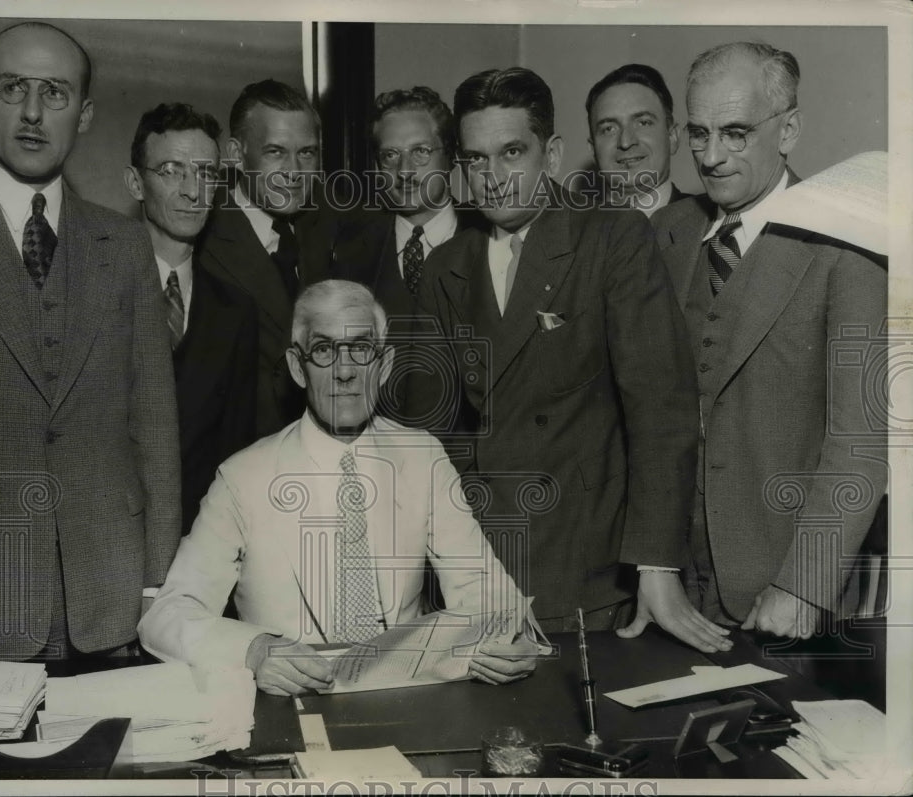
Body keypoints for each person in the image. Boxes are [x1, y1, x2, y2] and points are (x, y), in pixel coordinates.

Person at [411, 67, 732, 654]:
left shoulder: (612, 240)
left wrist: (656, 567)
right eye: (477, 160)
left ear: (551, 154)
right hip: (475, 572)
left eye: (513, 152)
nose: (495, 177)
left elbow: (661, 413)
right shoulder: (444, 266)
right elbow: (439, 434)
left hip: (589, 571)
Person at [0, 22, 180, 681]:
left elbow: (154, 427)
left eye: (56, 93)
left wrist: (157, 587)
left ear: (85, 114)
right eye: (13, 90)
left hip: (108, 602)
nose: (33, 113)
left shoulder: (124, 247)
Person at [139, 280, 540, 695]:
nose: (345, 371)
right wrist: (255, 650)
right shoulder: (243, 477)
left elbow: (486, 591)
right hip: (292, 707)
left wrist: (509, 636)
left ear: (384, 366)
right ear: (298, 367)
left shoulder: (423, 457)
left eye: (362, 349)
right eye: (325, 350)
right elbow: (166, 615)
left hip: (403, 699)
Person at [652, 42, 887, 637]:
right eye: (698, 133)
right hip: (675, 589)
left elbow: (862, 436)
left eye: (735, 133)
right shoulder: (669, 231)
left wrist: (801, 585)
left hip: (782, 593)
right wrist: (651, 567)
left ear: (789, 130)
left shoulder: (847, 244)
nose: (710, 156)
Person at [124, 102, 259, 535]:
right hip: (107, 546)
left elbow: (239, 455)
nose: (192, 190)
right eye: (171, 170)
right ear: (135, 183)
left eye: (204, 173)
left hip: (201, 547)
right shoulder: (94, 295)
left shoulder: (236, 311)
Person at [335, 86, 487, 423]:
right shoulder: (347, 252)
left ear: (450, 157)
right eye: (390, 155)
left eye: (420, 151)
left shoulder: (491, 240)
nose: (404, 170)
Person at [198, 79, 336, 439]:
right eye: (275, 151)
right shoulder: (199, 240)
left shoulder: (326, 229)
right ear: (235, 154)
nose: (294, 170)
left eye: (307, 152)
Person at [584, 63, 689, 215]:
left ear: (672, 137)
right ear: (593, 148)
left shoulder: (713, 225)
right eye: (609, 129)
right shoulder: (573, 234)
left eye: (643, 123)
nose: (626, 142)